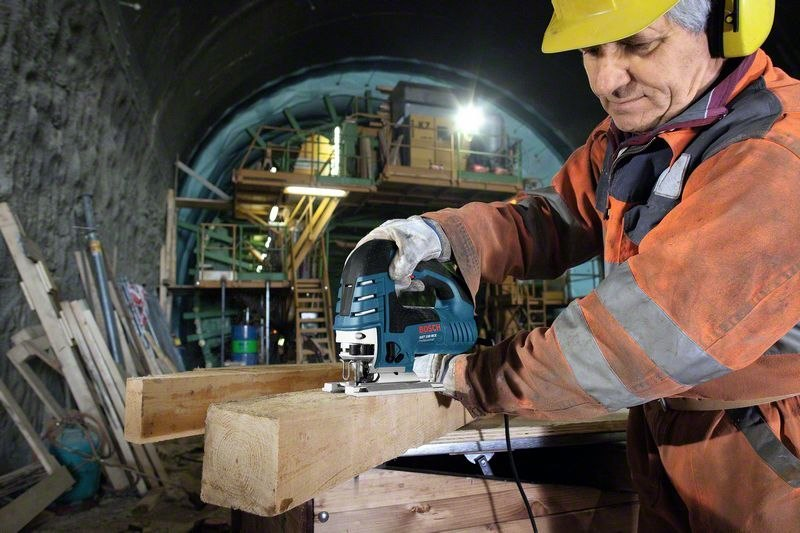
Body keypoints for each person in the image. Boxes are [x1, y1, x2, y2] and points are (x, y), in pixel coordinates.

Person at [354, 0, 800, 530]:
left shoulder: (772, 156)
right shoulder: (639, 134)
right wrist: (444, 236)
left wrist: (470, 377)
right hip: (668, 428)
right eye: (591, 50)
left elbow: (634, 343)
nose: (608, 80)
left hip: (770, 451)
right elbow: (548, 218)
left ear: (727, 26)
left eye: (639, 44)